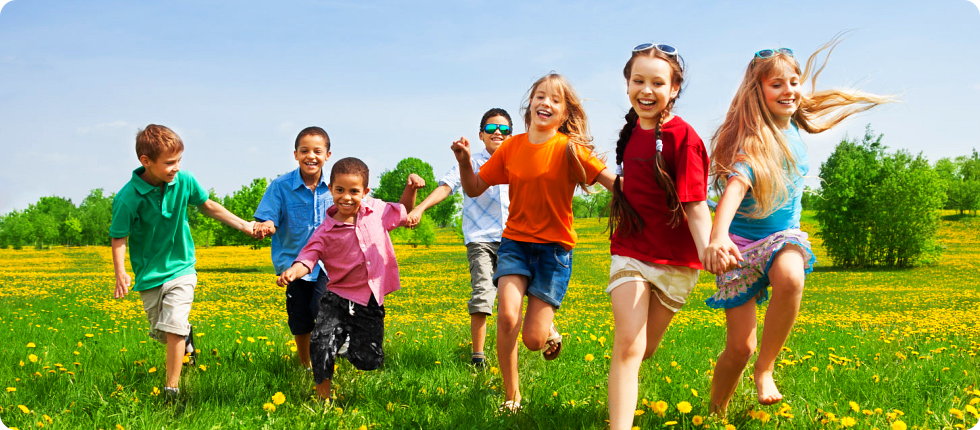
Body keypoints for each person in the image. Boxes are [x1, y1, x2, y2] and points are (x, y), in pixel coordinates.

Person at [702, 37, 893, 415]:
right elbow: (735, 188)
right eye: (777, 84)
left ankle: (766, 370)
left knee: (791, 276)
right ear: (758, 92)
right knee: (740, 347)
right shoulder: (753, 142)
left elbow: (805, 109)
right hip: (738, 248)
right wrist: (718, 236)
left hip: (781, 238)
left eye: (794, 81)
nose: (789, 90)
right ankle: (713, 413)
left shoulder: (793, 126)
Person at [451, 73, 616, 411]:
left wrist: (659, 198)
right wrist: (465, 161)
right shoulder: (512, 147)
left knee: (532, 340)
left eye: (555, 100)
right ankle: (512, 397)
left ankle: (548, 330)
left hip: (554, 252)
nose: (546, 103)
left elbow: (613, 183)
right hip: (515, 243)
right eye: (541, 96)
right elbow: (473, 187)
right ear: (531, 104)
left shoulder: (570, 149)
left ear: (565, 112)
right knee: (508, 316)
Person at [604, 43, 712, 430]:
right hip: (631, 251)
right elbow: (630, 188)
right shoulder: (630, 134)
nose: (646, 90)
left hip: (678, 261)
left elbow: (696, 204)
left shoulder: (684, 137)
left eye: (657, 82)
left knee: (644, 349)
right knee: (629, 346)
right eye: (638, 81)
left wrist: (710, 249)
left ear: (674, 88)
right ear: (627, 84)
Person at [110, 124, 260, 397]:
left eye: (179, 160)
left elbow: (208, 205)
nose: (176, 167)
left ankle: (172, 388)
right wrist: (120, 272)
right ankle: (187, 343)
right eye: (169, 163)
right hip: (150, 274)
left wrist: (243, 226)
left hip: (182, 267)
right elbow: (119, 236)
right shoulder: (127, 198)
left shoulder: (185, 180)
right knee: (162, 332)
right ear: (146, 161)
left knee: (175, 324)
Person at [276, 157, 424, 402]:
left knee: (368, 359)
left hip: (369, 298)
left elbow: (403, 212)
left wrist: (411, 189)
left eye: (354, 191)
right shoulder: (325, 230)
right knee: (321, 344)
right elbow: (308, 257)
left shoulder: (377, 211)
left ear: (365, 192)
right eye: (339, 190)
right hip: (336, 297)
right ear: (331, 189)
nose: (346, 197)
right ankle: (324, 399)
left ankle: (346, 346)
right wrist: (294, 271)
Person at [407, 108, 512, 369]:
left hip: (514, 238)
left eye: (503, 129)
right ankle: (478, 358)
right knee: (483, 293)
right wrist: (419, 208)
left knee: (520, 293)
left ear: (511, 135)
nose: (497, 132)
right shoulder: (471, 162)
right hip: (480, 240)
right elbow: (446, 186)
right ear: (481, 135)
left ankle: (522, 346)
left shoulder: (518, 161)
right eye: (490, 128)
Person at [253, 126, 333, 369]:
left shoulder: (334, 187)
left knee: (323, 308)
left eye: (317, 151)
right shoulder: (280, 186)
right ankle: (305, 364)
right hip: (293, 264)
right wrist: (266, 225)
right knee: (301, 316)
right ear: (295, 154)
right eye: (304, 150)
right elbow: (268, 218)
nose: (311, 156)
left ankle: (326, 357)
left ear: (327, 155)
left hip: (327, 265)